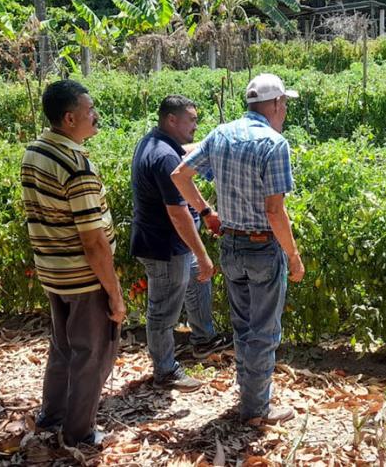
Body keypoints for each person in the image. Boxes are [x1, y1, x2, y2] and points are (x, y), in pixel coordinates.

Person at [171, 73, 305, 425]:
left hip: (230, 245)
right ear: (275, 104)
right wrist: (293, 255)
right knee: (263, 330)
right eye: (285, 104)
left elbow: (179, 175)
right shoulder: (274, 144)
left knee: (243, 325)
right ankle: (256, 408)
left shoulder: (222, 134)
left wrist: (206, 212)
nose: (285, 110)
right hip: (262, 247)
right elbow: (275, 211)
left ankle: (250, 394)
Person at [20, 79, 125, 447]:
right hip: (84, 278)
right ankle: (79, 433)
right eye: (88, 110)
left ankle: (53, 415)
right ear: (69, 118)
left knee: (64, 347)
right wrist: (114, 293)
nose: (95, 115)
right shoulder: (77, 166)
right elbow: (93, 241)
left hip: (53, 271)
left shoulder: (36, 150)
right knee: (92, 355)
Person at [130, 95, 233, 392]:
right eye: (192, 120)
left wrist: (215, 144)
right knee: (163, 311)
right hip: (164, 246)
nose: (195, 126)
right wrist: (202, 255)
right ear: (172, 120)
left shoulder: (155, 143)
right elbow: (177, 214)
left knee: (198, 283)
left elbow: (186, 152)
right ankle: (165, 371)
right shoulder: (164, 158)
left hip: (172, 244)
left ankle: (203, 339)